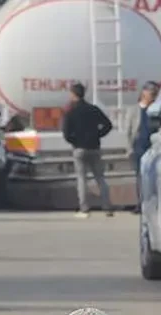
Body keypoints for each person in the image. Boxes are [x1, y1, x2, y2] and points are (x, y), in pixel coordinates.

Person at [61, 81, 114, 218]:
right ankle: (107, 207)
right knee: (100, 178)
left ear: (73, 94)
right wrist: (98, 135)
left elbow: (66, 133)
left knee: (81, 179)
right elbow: (108, 125)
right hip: (94, 147)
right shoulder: (93, 109)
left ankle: (84, 209)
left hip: (79, 148)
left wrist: (75, 141)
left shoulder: (70, 112)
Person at [122, 81, 161, 213]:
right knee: (140, 176)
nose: (153, 96)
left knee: (154, 176)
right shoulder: (134, 110)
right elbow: (128, 131)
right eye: (152, 93)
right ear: (144, 93)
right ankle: (141, 203)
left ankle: (153, 203)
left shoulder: (156, 110)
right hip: (138, 146)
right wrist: (129, 148)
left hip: (153, 146)